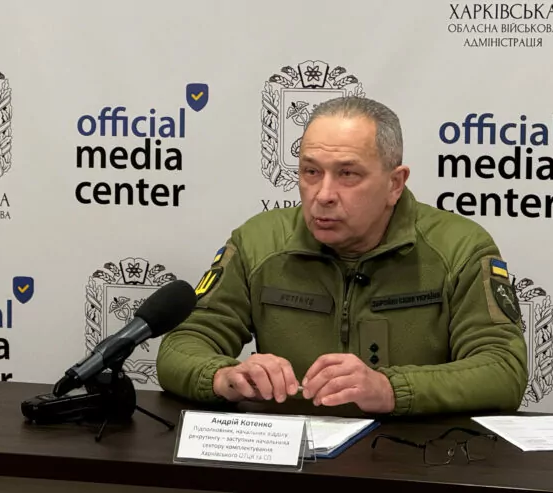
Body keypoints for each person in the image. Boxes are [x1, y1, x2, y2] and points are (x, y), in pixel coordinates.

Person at [156, 96, 528, 416]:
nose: (323, 194)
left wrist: (390, 390)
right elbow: (182, 345)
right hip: (291, 456)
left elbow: (502, 369)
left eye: (347, 174)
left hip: (414, 454)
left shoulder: (459, 248)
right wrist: (224, 376)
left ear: (394, 184)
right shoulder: (258, 243)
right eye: (311, 172)